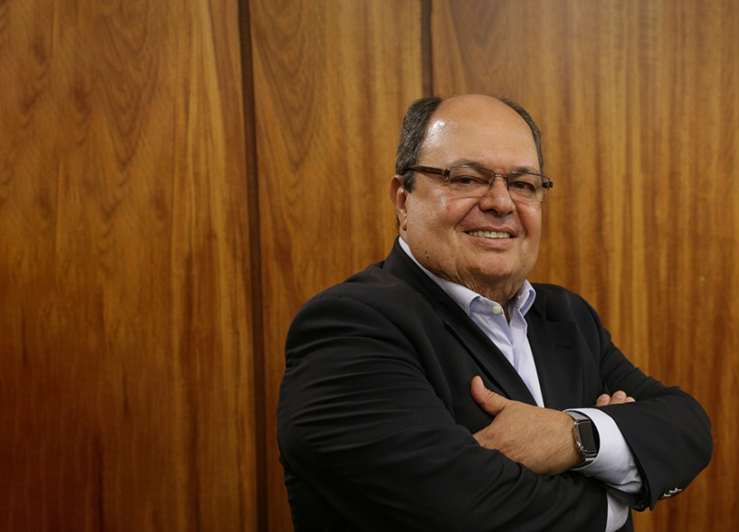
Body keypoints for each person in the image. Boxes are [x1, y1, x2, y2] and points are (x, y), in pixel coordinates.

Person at [277, 94, 712, 531]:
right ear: (403, 199)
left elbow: (686, 429)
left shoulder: (566, 317)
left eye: (523, 184)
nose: (501, 203)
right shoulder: (347, 328)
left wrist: (576, 436)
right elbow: (463, 512)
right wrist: (615, 496)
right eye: (467, 178)